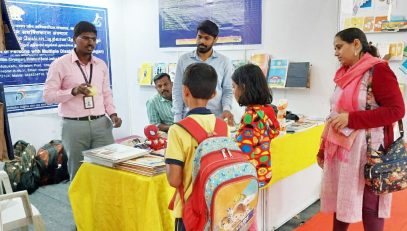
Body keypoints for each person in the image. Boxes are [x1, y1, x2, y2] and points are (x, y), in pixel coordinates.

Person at [317, 27, 404, 231]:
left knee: (370, 205)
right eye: (334, 49)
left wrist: (351, 119)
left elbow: (397, 110)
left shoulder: (378, 70)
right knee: (342, 200)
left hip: (369, 152)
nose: (336, 53)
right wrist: (324, 145)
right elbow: (335, 111)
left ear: (356, 44)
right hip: (343, 150)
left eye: (339, 47)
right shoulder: (343, 74)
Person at [43, 21, 122, 180]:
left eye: (93, 38)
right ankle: (80, 205)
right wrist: (73, 91)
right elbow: (48, 96)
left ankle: (106, 204)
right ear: (74, 39)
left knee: (108, 167)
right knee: (78, 170)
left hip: (101, 123)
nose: (90, 42)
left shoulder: (100, 65)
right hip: (74, 125)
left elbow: (106, 93)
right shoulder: (60, 64)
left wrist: (113, 114)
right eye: (85, 38)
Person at [165, 62, 221, 231]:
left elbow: (174, 180)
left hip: (189, 211)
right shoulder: (222, 127)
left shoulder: (177, 130)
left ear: (185, 91)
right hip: (215, 205)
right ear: (213, 94)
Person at [172, 19, 234, 126]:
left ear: (215, 40)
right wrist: (177, 117)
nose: (202, 41)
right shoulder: (184, 60)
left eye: (207, 38)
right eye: (199, 37)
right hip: (189, 118)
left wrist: (226, 109)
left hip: (215, 119)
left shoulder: (224, 61)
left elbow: (227, 90)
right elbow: (178, 90)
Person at [233, 64, 280, 188]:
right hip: (262, 173)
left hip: (248, 178)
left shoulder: (250, 116)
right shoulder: (265, 110)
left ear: (243, 88)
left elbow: (243, 150)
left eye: (234, 87)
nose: (233, 91)